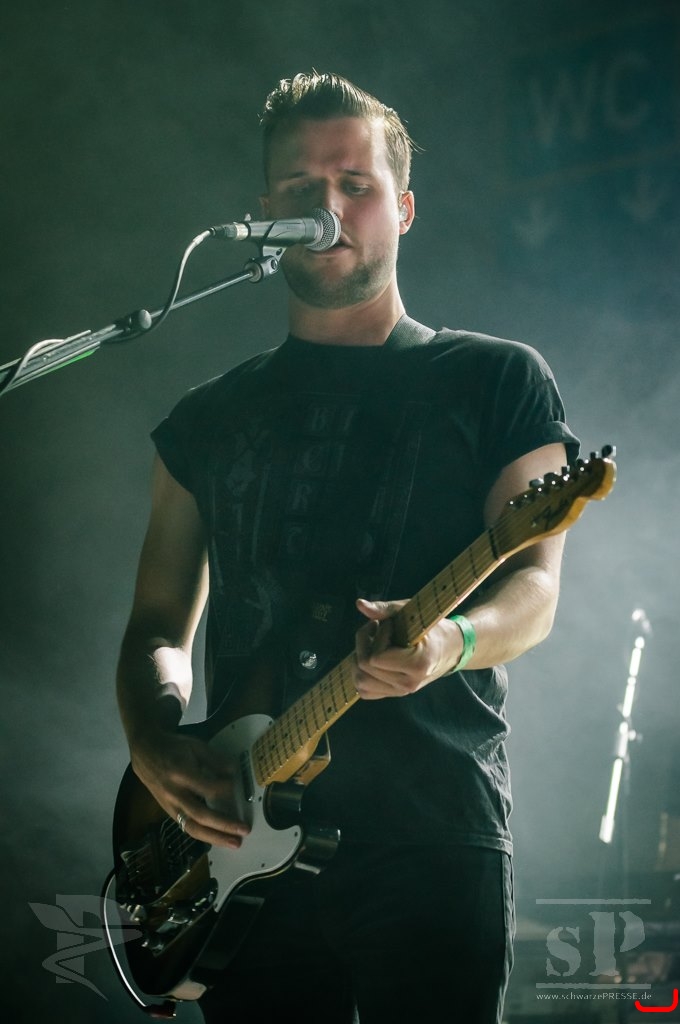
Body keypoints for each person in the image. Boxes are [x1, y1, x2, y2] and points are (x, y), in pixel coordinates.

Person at [116, 71, 579, 1024]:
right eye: (300, 188)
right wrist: (153, 740)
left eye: (355, 184)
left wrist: (447, 642)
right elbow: (159, 622)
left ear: (403, 209)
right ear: (264, 217)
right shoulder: (206, 419)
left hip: (432, 830)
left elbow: (536, 587)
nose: (327, 206)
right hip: (242, 836)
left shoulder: (497, 380)